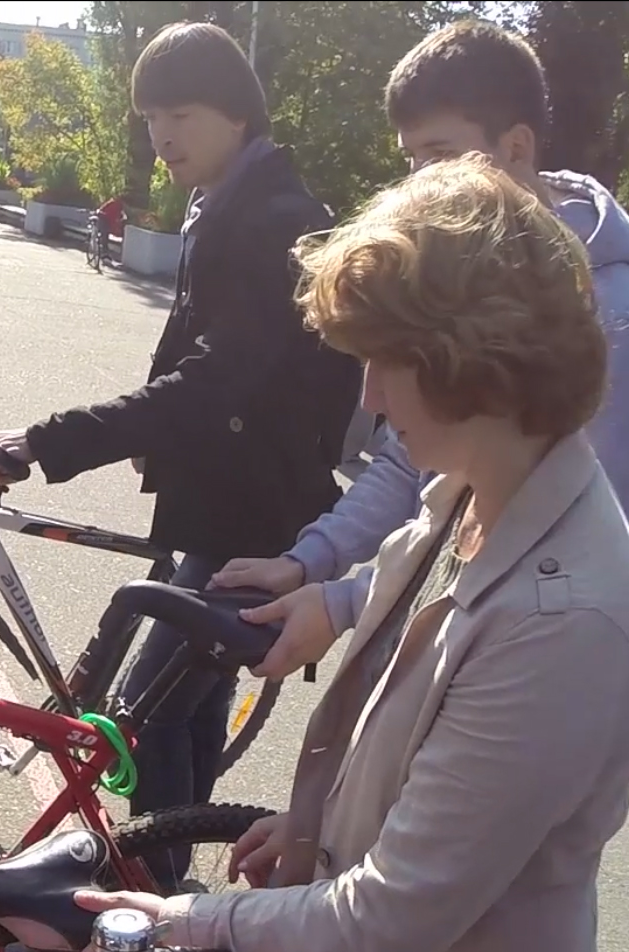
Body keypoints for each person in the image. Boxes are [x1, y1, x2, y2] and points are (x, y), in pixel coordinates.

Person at [81, 155, 629, 952]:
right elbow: (405, 619)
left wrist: (182, 924)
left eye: (386, 362)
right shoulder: (475, 485)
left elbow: (394, 914)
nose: (368, 399)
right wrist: (323, 823)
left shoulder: (563, 620)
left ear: (475, 361)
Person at [0, 23, 361, 845]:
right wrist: (144, 434)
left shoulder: (274, 219)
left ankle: (156, 893)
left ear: (236, 113)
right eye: (150, 118)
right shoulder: (228, 202)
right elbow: (192, 353)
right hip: (227, 500)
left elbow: (215, 379)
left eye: (180, 114)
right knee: (190, 710)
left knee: (146, 713)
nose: (161, 135)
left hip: (252, 516)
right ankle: (176, 877)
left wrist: (45, 440)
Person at [212, 18, 629, 599]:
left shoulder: (611, 312)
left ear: (516, 148)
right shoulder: (449, 267)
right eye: (411, 157)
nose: (417, 182)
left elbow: (545, 547)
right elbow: (410, 462)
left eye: (441, 154)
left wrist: (346, 603)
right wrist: (310, 562)